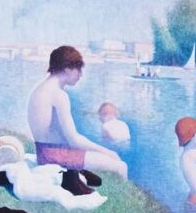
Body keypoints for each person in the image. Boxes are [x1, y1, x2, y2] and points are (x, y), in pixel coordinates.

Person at [27, 46, 127, 178]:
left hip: (44, 154)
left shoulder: (40, 89)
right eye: (78, 69)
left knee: (105, 161)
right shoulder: (59, 94)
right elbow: (74, 140)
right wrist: (107, 151)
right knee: (121, 166)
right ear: (67, 68)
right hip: (57, 155)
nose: (80, 75)